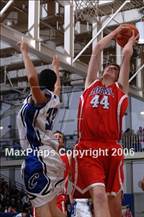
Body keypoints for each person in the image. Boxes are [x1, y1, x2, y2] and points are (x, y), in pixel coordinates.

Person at [71, 24, 139, 217]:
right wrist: (117, 32)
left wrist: (130, 42)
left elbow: (126, 55)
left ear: (117, 76)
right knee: (99, 196)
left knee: (115, 205)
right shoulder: (90, 84)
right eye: (108, 67)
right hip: (88, 147)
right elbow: (98, 48)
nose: (109, 68)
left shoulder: (120, 91)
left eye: (113, 69)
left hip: (111, 148)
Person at [17, 41, 66, 217]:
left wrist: (24, 52)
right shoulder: (54, 99)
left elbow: (32, 80)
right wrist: (56, 69)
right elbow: (58, 87)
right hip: (51, 158)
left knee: (42, 211)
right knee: (54, 209)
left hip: (38, 157)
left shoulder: (39, 98)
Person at [53, 131, 72, 216]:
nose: (57, 138)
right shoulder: (44, 157)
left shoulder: (68, 156)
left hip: (59, 196)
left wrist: (71, 198)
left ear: (63, 143)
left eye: (59, 137)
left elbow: (72, 178)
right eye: (55, 137)